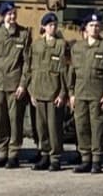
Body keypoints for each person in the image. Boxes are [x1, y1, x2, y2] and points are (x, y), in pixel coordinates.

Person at [0, 2, 31, 168]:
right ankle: (1, 151)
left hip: (15, 84)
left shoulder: (23, 35)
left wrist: (23, 84)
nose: (12, 17)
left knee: (15, 119)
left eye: (14, 13)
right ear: (3, 16)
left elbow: (27, 62)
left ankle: (13, 153)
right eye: (9, 14)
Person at [69, 11, 103, 173]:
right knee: (82, 126)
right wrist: (71, 93)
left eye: (97, 26)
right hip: (80, 93)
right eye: (91, 26)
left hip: (97, 93)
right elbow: (72, 72)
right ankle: (85, 158)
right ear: (85, 28)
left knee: (97, 127)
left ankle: (97, 159)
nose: (95, 29)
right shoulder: (77, 47)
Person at [26, 12, 70, 171]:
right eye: (50, 25)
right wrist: (30, 91)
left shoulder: (61, 45)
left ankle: (55, 157)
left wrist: (63, 93)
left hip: (54, 93)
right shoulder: (36, 46)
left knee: (54, 127)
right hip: (38, 92)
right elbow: (30, 69)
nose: (53, 27)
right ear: (43, 27)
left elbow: (65, 71)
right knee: (41, 127)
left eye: (55, 25)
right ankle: (44, 154)